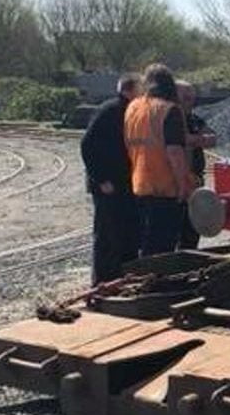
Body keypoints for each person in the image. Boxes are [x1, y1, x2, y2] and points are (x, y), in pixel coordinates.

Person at [125, 64, 193, 255]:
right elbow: (175, 153)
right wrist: (182, 186)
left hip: (139, 184)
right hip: (165, 188)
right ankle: (159, 283)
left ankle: (144, 278)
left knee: (147, 244)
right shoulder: (169, 110)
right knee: (162, 248)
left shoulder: (133, 108)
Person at [80, 73, 141, 284]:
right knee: (107, 234)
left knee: (126, 231)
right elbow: (87, 145)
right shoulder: (111, 110)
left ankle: (122, 277)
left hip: (124, 183)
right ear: (129, 89)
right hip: (108, 184)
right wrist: (100, 178)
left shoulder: (130, 110)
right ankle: (103, 281)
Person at [175, 80, 217, 249]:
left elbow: (212, 138)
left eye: (192, 98)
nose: (189, 101)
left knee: (193, 227)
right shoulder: (169, 120)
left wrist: (193, 140)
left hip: (197, 180)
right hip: (177, 181)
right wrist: (197, 140)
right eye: (185, 97)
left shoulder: (194, 119)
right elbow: (179, 141)